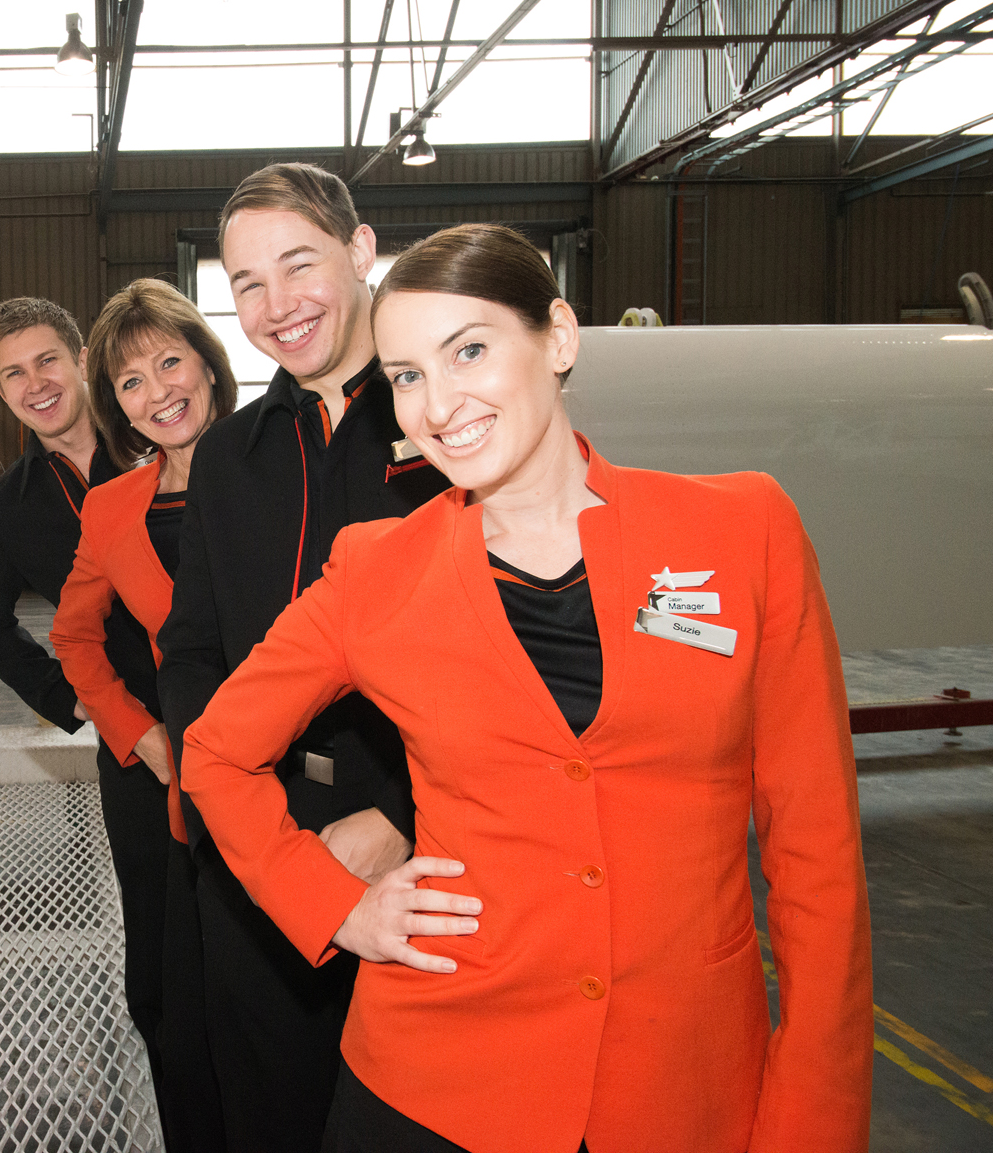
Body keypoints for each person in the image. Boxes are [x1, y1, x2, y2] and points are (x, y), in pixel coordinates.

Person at [180, 223, 873, 1153]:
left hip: (680, 1086)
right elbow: (216, 754)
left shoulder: (742, 531)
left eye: (469, 349)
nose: (438, 403)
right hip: (434, 1089)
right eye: (409, 375)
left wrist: (812, 1124)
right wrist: (340, 907)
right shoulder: (378, 571)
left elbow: (817, 859)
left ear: (558, 337)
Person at [154, 162, 451, 1153]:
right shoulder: (230, 457)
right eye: (246, 282)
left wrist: (407, 813)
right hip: (255, 862)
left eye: (299, 264)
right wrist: (248, 825)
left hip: (419, 853)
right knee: (268, 1111)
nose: (277, 305)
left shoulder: (445, 429)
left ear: (361, 251)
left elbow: (514, 658)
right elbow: (192, 648)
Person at [0, 296, 173, 1115]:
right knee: (151, 927)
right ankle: (172, 1091)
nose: (34, 383)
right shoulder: (9, 505)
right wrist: (79, 709)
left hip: (226, 714)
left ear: (82, 360)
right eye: (13, 374)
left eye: (47, 360)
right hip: (127, 733)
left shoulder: (167, 447)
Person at [51, 279, 238, 1153]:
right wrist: (139, 734)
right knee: (176, 999)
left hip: (287, 777)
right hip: (182, 789)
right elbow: (74, 638)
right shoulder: (112, 506)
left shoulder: (277, 475)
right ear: (114, 406)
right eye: (131, 381)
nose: (159, 390)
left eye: (171, 361)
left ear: (207, 362)